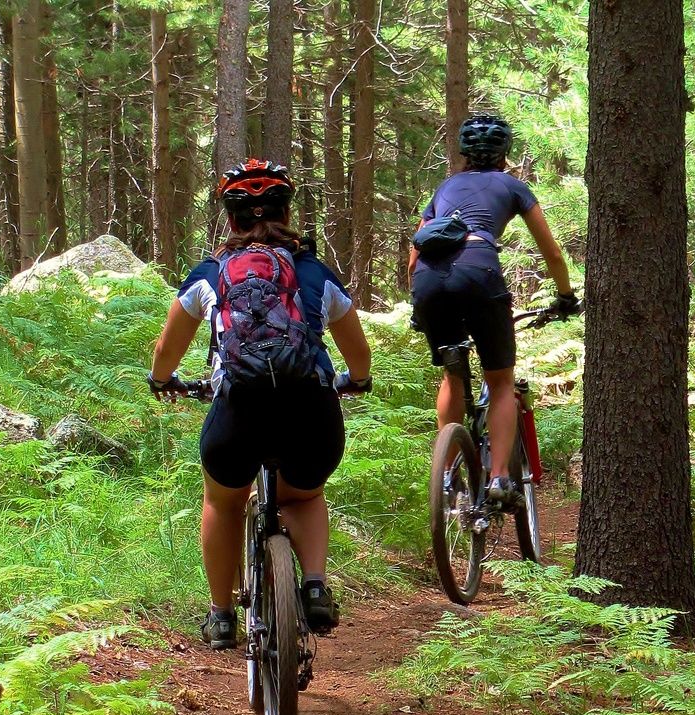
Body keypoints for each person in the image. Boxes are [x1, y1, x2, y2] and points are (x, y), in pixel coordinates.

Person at [147, 159, 372, 649]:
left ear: (230, 219)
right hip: (310, 413)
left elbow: (166, 350)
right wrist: (357, 380)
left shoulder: (209, 275)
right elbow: (358, 352)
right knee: (303, 496)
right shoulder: (315, 273)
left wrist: (162, 380)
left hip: (238, 413)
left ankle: (221, 615)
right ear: (286, 213)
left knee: (222, 501)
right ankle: (315, 586)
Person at [409, 114, 579, 506]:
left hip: (429, 279)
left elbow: (413, 256)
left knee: (453, 375)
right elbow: (552, 253)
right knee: (501, 381)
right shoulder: (514, 186)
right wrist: (566, 296)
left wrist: (420, 304)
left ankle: (446, 478)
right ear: (505, 153)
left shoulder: (445, 186)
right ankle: (500, 478)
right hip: (479, 270)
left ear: (464, 153)